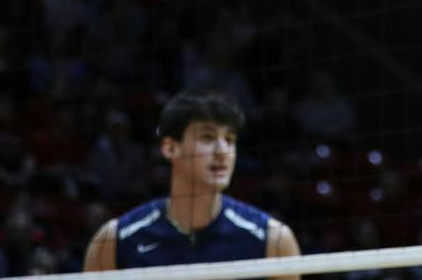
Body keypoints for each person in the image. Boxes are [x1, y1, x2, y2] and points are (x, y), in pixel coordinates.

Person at [82, 91, 299, 277]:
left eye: (229, 140)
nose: (222, 151)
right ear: (170, 148)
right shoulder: (114, 240)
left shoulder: (273, 240)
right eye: (207, 138)